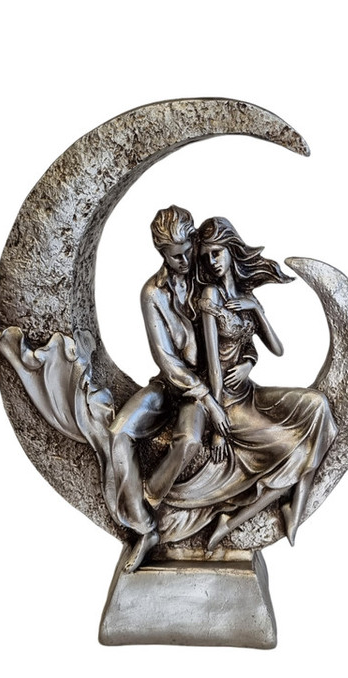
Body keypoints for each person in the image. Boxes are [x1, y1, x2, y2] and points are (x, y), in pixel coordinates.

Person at [160, 217, 338, 548]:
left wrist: (255, 315)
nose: (212, 261)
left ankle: (296, 506)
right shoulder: (210, 296)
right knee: (291, 446)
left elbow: (276, 349)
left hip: (248, 391)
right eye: (207, 256)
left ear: (231, 250)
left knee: (319, 407)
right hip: (226, 399)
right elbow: (213, 363)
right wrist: (217, 427)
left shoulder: (244, 295)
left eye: (217, 253)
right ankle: (234, 521)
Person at [108, 206, 230, 572]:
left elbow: (237, 329)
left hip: (207, 381)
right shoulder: (152, 293)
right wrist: (204, 398)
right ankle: (144, 527)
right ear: (161, 253)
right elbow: (166, 358)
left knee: (188, 440)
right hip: (172, 382)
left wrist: (215, 393)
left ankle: (150, 497)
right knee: (119, 432)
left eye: (187, 250)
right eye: (175, 256)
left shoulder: (207, 277)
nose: (184, 260)